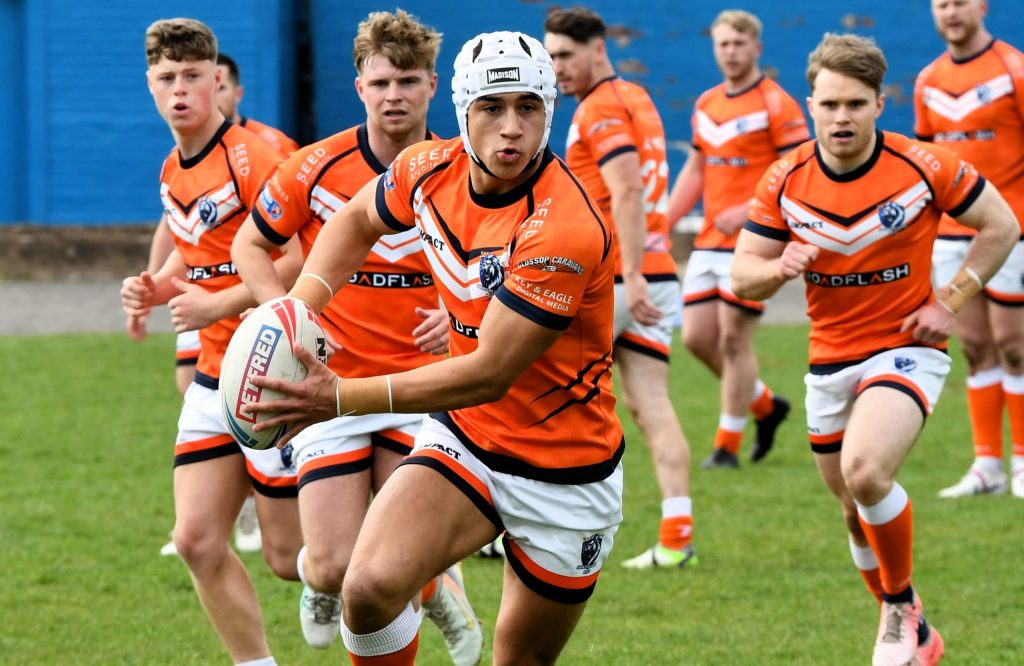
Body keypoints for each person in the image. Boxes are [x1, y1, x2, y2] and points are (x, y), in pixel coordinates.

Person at [244, 30, 624, 665]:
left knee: (517, 658)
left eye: (528, 108)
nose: (510, 129)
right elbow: (356, 220)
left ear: (549, 111)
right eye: (491, 109)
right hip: (471, 439)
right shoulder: (426, 170)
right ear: (461, 110)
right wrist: (298, 309)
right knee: (366, 589)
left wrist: (336, 399)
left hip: (564, 468)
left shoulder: (564, 227)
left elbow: (489, 373)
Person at [732, 32, 1017, 665]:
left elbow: (1001, 224)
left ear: (879, 103)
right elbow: (740, 274)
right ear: (810, 104)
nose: (841, 117)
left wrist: (951, 301)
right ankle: (916, 628)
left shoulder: (924, 165)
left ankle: (898, 610)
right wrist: (780, 264)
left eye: (855, 104)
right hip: (828, 360)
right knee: (852, 508)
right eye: (830, 104)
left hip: (905, 349)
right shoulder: (785, 179)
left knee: (866, 474)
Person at [231, 10, 483, 661]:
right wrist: (286, 319)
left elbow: (502, 263)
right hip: (326, 387)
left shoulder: (467, 170)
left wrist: (466, 317)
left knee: (395, 560)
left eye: (407, 80)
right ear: (359, 87)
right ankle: (344, 584)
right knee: (331, 565)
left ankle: (433, 591)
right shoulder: (317, 165)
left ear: (432, 86)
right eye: (380, 82)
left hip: (421, 390)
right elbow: (250, 244)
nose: (393, 94)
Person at [120, 18, 306, 665]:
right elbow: (196, 259)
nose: (180, 90)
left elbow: (302, 262)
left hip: (270, 373)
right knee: (197, 539)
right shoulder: (173, 167)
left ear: (218, 82)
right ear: (150, 85)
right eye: (167, 78)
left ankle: (424, 578)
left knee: (291, 560)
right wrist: (158, 287)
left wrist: (216, 302)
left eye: (193, 77)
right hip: (211, 375)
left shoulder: (254, 159)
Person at [542, 6, 694, 571]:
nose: (557, 67)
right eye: (552, 55)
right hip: (655, 271)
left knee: (532, 382)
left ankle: (527, 522)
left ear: (597, 49)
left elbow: (626, 190)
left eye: (565, 55)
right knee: (650, 404)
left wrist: (628, 273)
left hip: (620, 278)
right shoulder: (637, 98)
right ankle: (678, 536)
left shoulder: (600, 107)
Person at [667, 9, 808, 469]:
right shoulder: (707, 103)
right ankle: (765, 406)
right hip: (709, 240)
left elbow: (796, 173)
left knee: (732, 339)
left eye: (738, 44)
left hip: (753, 241)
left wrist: (748, 208)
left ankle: (726, 446)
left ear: (757, 48)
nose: (730, 52)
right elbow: (697, 166)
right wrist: (665, 219)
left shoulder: (776, 103)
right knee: (696, 338)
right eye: (723, 44)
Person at [915, 0, 1024, 499]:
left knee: (1015, 346)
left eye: (960, 2)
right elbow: (926, 166)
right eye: (942, 4)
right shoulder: (928, 81)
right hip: (952, 237)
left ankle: (1022, 462)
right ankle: (987, 467)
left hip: (1011, 231)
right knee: (975, 347)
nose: (951, 12)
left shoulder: (1012, 69)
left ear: (981, 6)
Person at [217, 53, 301, 156]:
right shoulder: (193, 148)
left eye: (220, 88)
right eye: (208, 89)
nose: (211, 97)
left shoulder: (274, 144)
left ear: (238, 94)